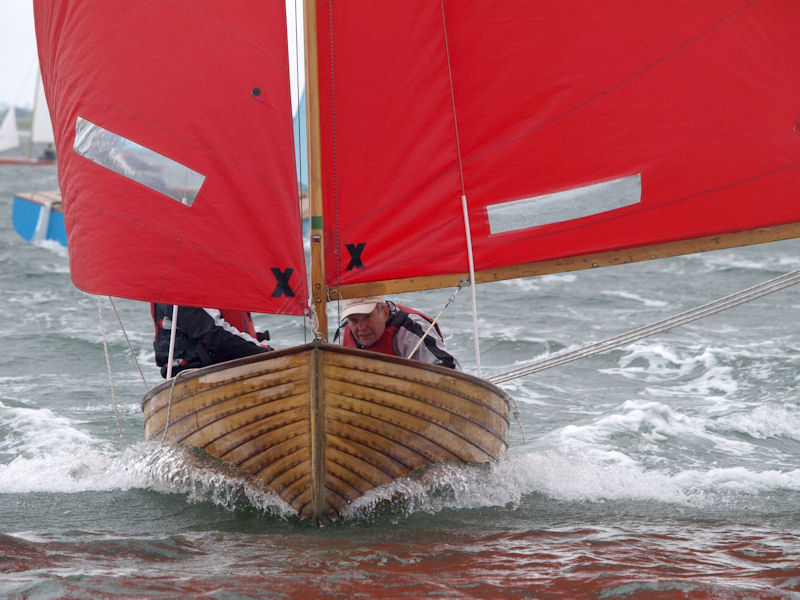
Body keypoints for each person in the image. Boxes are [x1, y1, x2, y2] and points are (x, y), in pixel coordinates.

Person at [334, 296, 460, 370]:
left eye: (367, 317)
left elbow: (451, 369)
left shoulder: (412, 329)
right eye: (354, 320)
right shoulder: (342, 335)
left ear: (384, 312)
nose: (361, 327)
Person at [151, 303, 273, 378]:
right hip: (194, 373)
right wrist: (265, 353)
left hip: (226, 368)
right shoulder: (177, 287)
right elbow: (213, 334)